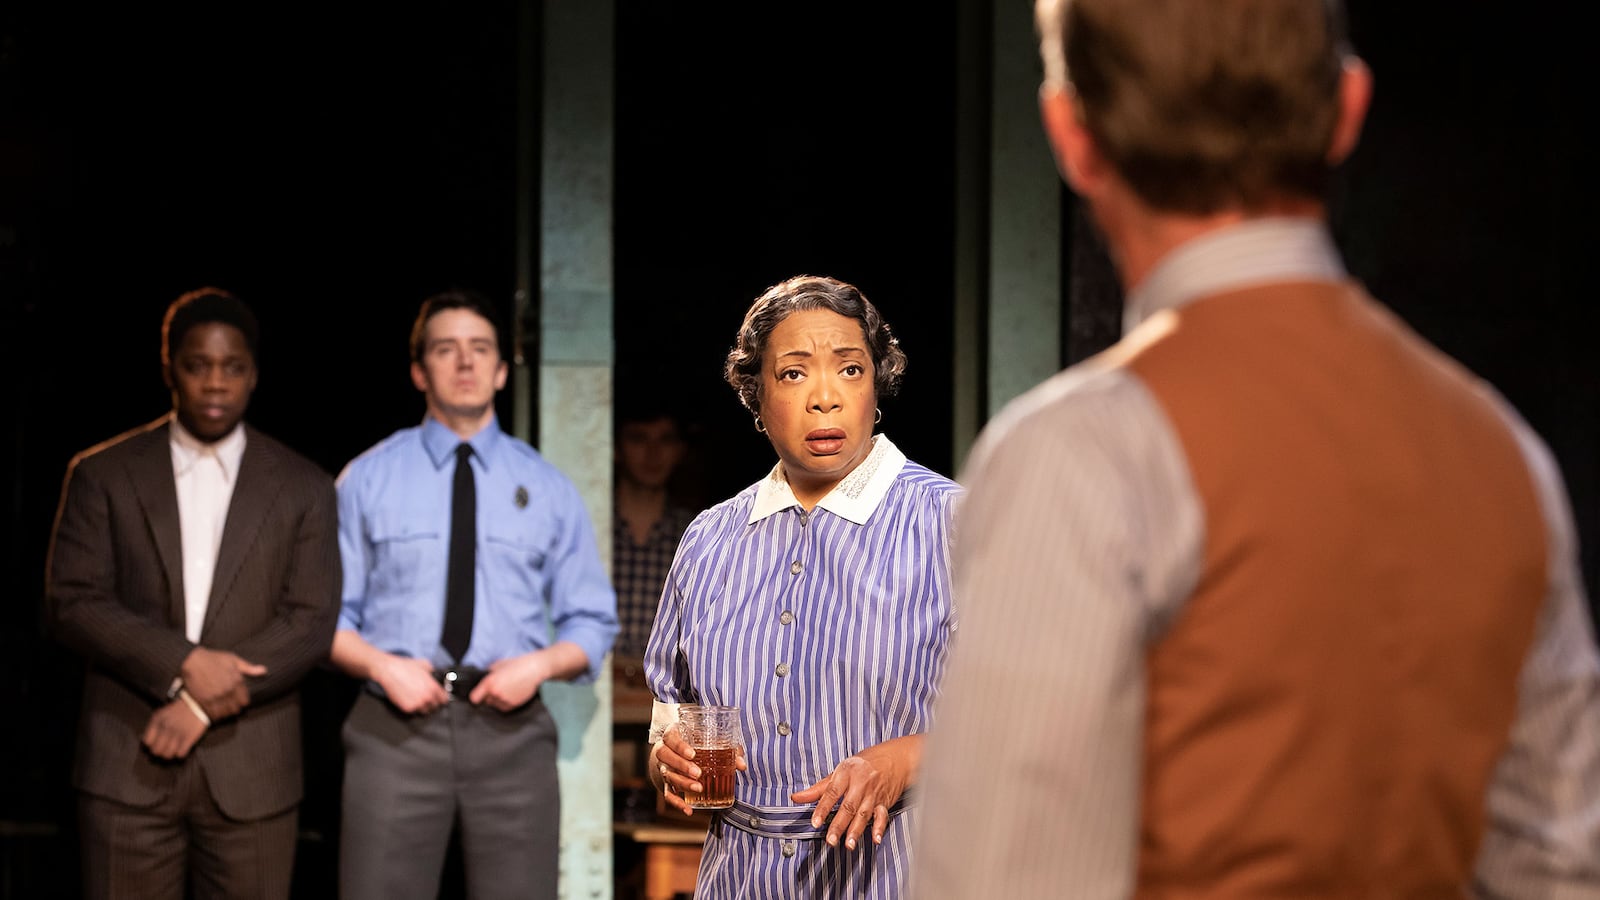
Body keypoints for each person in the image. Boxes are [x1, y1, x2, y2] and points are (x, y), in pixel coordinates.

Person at [914, 0, 1600, 896]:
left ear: (1070, 134)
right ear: (1347, 111)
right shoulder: (1506, 454)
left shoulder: (1079, 455)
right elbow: (1558, 870)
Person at [645, 275, 962, 898]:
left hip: (899, 871)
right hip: (738, 876)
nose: (825, 397)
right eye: (793, 374)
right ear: (755, 399)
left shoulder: (953, 522)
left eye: (849, 369)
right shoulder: (710, 540)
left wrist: (906, 759)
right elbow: (672, 718)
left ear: (877, 386)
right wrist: (670, 761)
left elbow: (1034, 715)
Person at [44, 287, 341, 900]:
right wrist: (183, 664)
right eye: (197, 365)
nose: (214, 383)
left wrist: (204, 703)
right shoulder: (103, 474)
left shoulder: (303, 487)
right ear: (168, 368)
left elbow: (310, 622)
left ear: (253, 375)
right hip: (129, 761)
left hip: (253, 772)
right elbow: (73, 600)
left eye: (232, 367)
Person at [329, 288, 618, 900]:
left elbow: (592, 621)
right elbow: (326, 619)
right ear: (419, 369)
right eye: (445, 349)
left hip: (511, 734)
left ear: (502, 369)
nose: (464, 362)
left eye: (480, 348)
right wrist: (383, 666)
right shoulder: (366, 479)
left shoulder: (546, 486)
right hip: (392, 732)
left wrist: (536, 665)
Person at [612, 400, 696, 662]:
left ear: (680, 451)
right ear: (616, 448)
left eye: (665, 440)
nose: (653, 453)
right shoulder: (588, 530)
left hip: (664, 695)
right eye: (639, 439)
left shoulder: (696, 536)